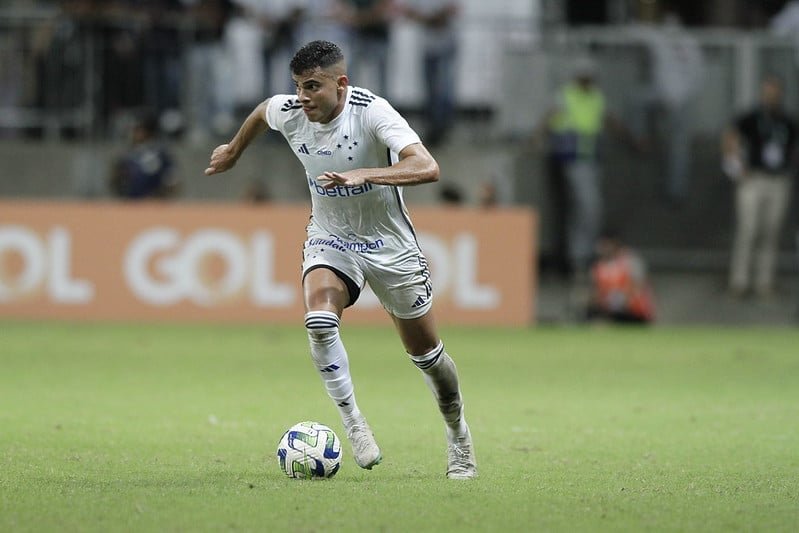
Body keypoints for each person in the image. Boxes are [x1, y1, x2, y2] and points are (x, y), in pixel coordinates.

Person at [204, 40, 476, 479]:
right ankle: (353, 423)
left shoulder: (372, 112)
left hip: (389, 245)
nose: (303, 96)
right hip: (331, 238)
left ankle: (458, 436)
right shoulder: (290, 111)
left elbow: (427, 166)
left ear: (341, 84)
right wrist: (234, 150)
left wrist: (365, 173)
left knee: (427, 355)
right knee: (319, 320)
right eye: (298, 86)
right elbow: (261, 112)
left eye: (313, 86)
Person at [532, 56, 640, 280]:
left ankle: (581, 255)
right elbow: (549, 118)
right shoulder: (567, 95)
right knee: (589, 207)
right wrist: (535, 139)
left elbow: (611, 121)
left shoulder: (596, 97)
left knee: (584, 210)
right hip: (574, 160)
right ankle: (581, 256)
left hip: (591, 160)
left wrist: (632, 140)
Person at [722, 75, 798, 299]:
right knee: (748, 230)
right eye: (767, 91)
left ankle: (764, 282)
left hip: (779, 180)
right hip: (754, 178)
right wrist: (735, 165)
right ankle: (739, 281)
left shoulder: (787, 121)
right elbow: (730, 135)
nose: (771, 96)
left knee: (771, 232)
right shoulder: (752, 117)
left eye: (774, 91)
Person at [400, 0, 459, 146]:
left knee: (444, 89)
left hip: (445, 45)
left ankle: (441, 127)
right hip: (427, 47)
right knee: (430, 90)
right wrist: (430, 18)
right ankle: (434, 127)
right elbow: (408, 12)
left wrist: (427, 18)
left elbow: (450, 12)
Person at [585, 231, 655, 324]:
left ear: (614, 244)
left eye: (605, 244)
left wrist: (622, 299)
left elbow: (638, 285)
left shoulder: (630, 261)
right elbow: (596, 292)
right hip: (611, 309)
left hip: (633, 311)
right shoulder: (598, 267)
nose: (602, 248)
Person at [109, 111, 178, 199]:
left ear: (147, 131)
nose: (133, 133)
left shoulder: (160, 153)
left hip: (153, 204)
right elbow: (114, 179)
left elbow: (172, 180)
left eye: (137, 129)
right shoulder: (127, 154)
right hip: (130, 203)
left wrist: (160, 196)